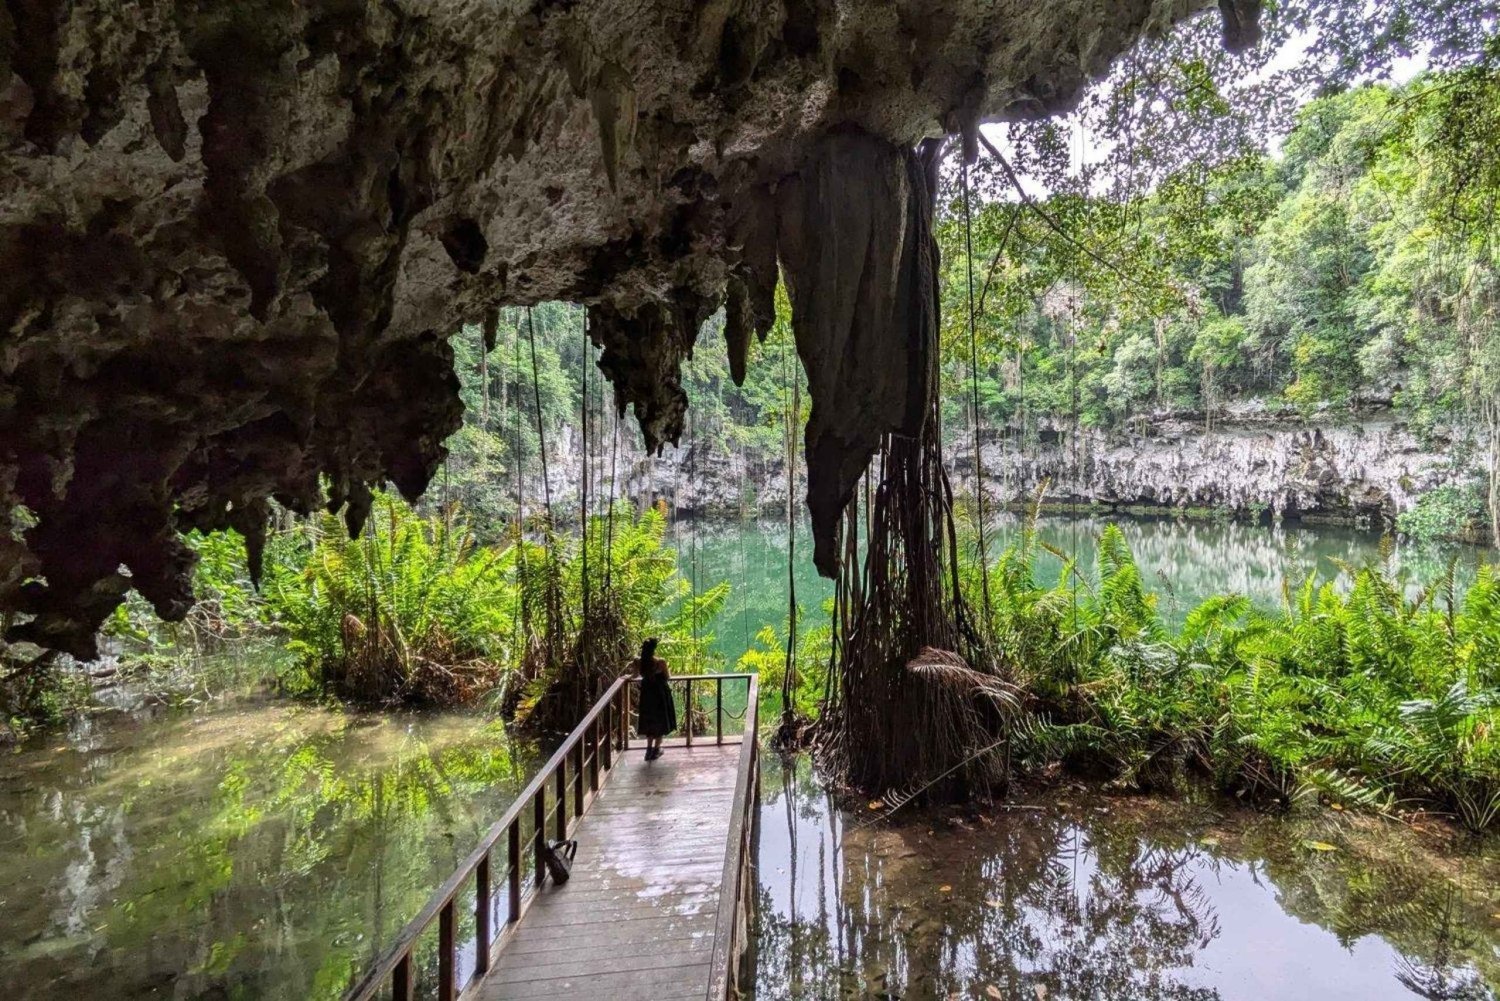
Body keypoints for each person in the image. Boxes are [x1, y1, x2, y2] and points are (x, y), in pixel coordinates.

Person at [634, 637, 676, 761]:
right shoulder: (660, 662)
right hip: (660, 695)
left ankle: (648, 750)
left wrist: (625, 677)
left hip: (647, 695)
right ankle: (656, 750)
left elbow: (634, 675)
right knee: (660, 721)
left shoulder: (638, 661)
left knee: (649, 720)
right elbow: (667, 676)